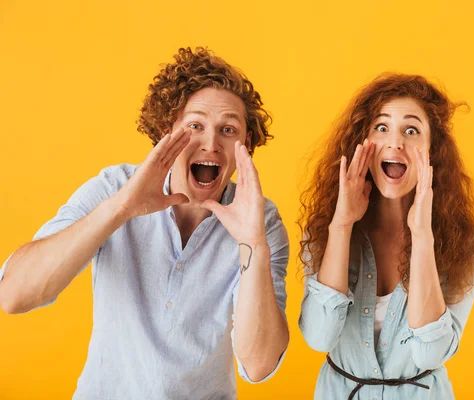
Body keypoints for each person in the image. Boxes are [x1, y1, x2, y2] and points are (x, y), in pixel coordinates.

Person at [0, 47, 289, 400]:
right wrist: (120, 209)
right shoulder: (114, 188)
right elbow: (13, 295)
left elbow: (258, 364)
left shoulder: (260, 220)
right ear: (166, 132)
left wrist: (253, 245)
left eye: (228, 130)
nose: (211, 143)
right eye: (195, 126)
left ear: (246, 144)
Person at [298, 73, 474, 399]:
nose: (395, 142)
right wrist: (342, 225)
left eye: (412, 130)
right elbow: (319, 337)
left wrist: (422, 237)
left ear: (433, 151)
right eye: (382, 127)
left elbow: (429, 354)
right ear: (363, 143)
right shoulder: (324, 232)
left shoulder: (466, 247)